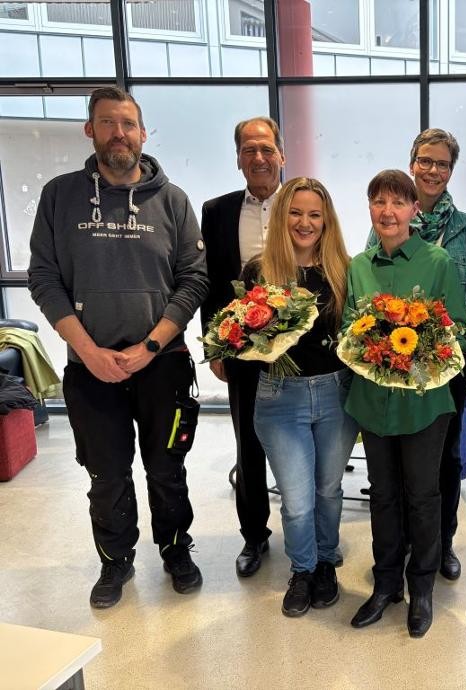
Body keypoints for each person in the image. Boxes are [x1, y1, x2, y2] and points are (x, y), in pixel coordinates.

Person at [27, 86, 209, 608]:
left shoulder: (173, 202)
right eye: (108, 123)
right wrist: (87, 350)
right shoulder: (59, 197)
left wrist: (151, 346)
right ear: (90, 130)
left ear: (143, 132)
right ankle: (115, 561)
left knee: (167, 466)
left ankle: (176, 550)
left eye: (128, 124)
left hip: (162, 364)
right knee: (106, 473)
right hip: (90, 366)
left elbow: (193, 280)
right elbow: (44, 279)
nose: (119, 134)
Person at [345, 170, 466, 639]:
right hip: (373, 401)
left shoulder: (437, 262)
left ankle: (422, 587)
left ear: (415, 210)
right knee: (383, 496)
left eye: (398, 202)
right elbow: (348, 330)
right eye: (379, 202)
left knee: (422, 495)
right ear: (370, 209)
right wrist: (369, 347)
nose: (388, 211)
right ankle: (384, 585)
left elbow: (454, 326)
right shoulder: (359, 265)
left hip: (423, 401)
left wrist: (415, 354)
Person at [366, 128, 466, 581]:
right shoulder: (389, 219)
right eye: (425, 161)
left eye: (442, 163)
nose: (433, 170)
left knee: (445, 461)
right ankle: (400, 544)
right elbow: (370, 295)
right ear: (412, 162)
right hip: (396, 364)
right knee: (400, 463)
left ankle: (442, 544)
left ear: (451, 170)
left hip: (449, 364)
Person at [244, 178, 359, 617]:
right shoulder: (259, 271)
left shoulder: (344, 270)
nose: (305, 222)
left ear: (326, 219)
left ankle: (326, 561)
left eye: (314, 214)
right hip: (279, 398)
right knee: (296, 498)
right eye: (296, 213)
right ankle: (303, 568)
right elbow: (244, 341)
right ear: (281, 217)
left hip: (335, 393)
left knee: (329, 489)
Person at [200, 116, 285, 577]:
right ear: (238, 158)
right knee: (248, 445)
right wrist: (215, 347)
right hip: (242, 348)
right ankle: (254, 536)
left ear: (281, 156)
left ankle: (307, 532)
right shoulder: (216, 210)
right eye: (249, 150)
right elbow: (209, 283)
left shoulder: (301, 203)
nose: (259, 158)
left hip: (299, 351)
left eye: (266, 149)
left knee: (299, 445)